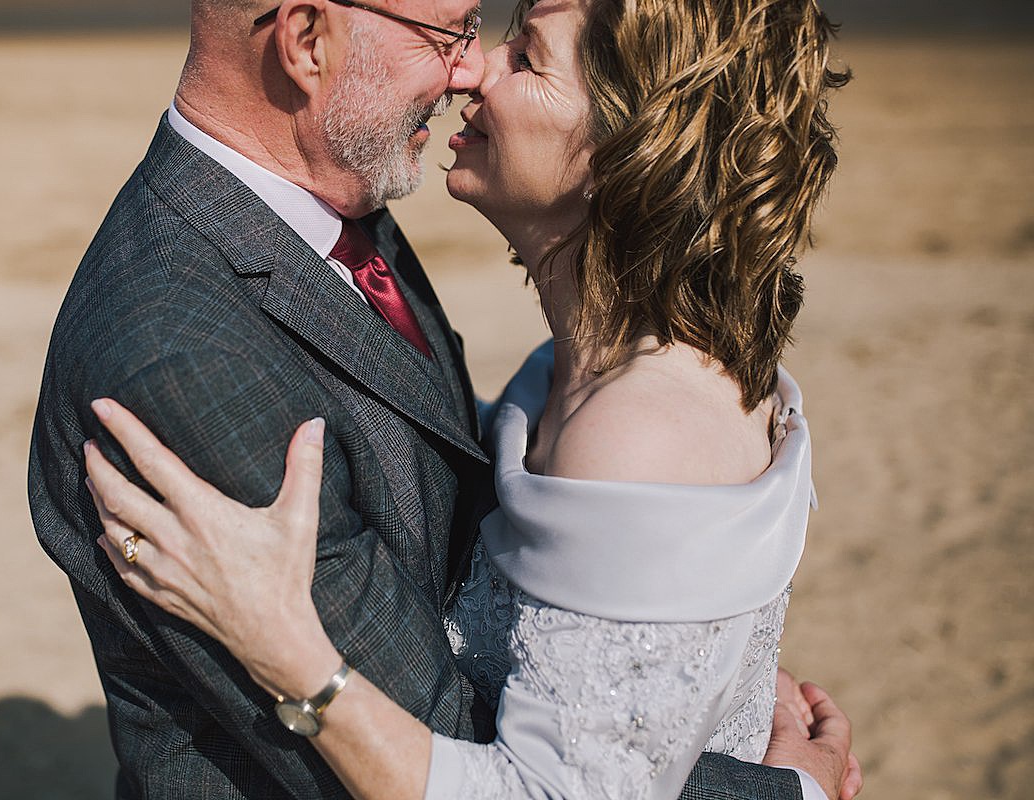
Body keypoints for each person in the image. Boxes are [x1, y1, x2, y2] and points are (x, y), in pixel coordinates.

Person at [74, 0, 861, 799]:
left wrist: (284, 647)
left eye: (520, 54)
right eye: (452, 31)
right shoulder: (186, 351)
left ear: (631, 149)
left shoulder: (635, 421)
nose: (471, 67)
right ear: (307, 41)